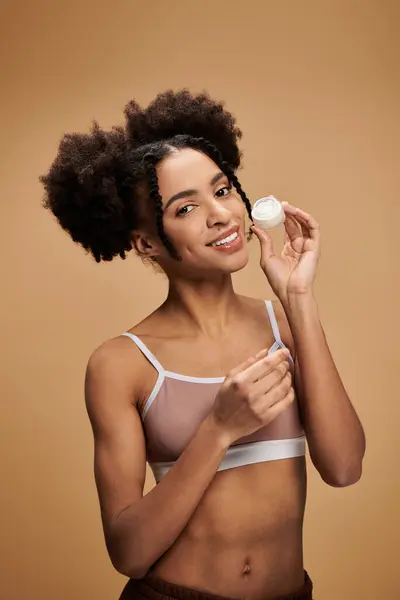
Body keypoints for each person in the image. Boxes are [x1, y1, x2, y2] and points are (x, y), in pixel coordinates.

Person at [40, 90, 366, 600]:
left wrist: (299, 299)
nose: (221, 216)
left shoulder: (283, 321)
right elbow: (129, 552)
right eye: (186, 207)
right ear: (146, 242)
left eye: (223, 190)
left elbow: (344, 467)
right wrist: (218, 429)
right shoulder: (121, 364)